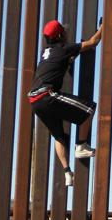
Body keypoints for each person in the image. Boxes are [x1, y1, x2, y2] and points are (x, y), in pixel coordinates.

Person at [27, 18, 103, 186]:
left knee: (59, 135)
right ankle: (81, 146)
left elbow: (61, 62)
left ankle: (67, 172)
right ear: (60, 35)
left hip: (34, 100)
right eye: (64, 31)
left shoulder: (46, 52)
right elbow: (93, 42)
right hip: (46, 95)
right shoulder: (63, 49)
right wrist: (103, 28)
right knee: (89, 109)